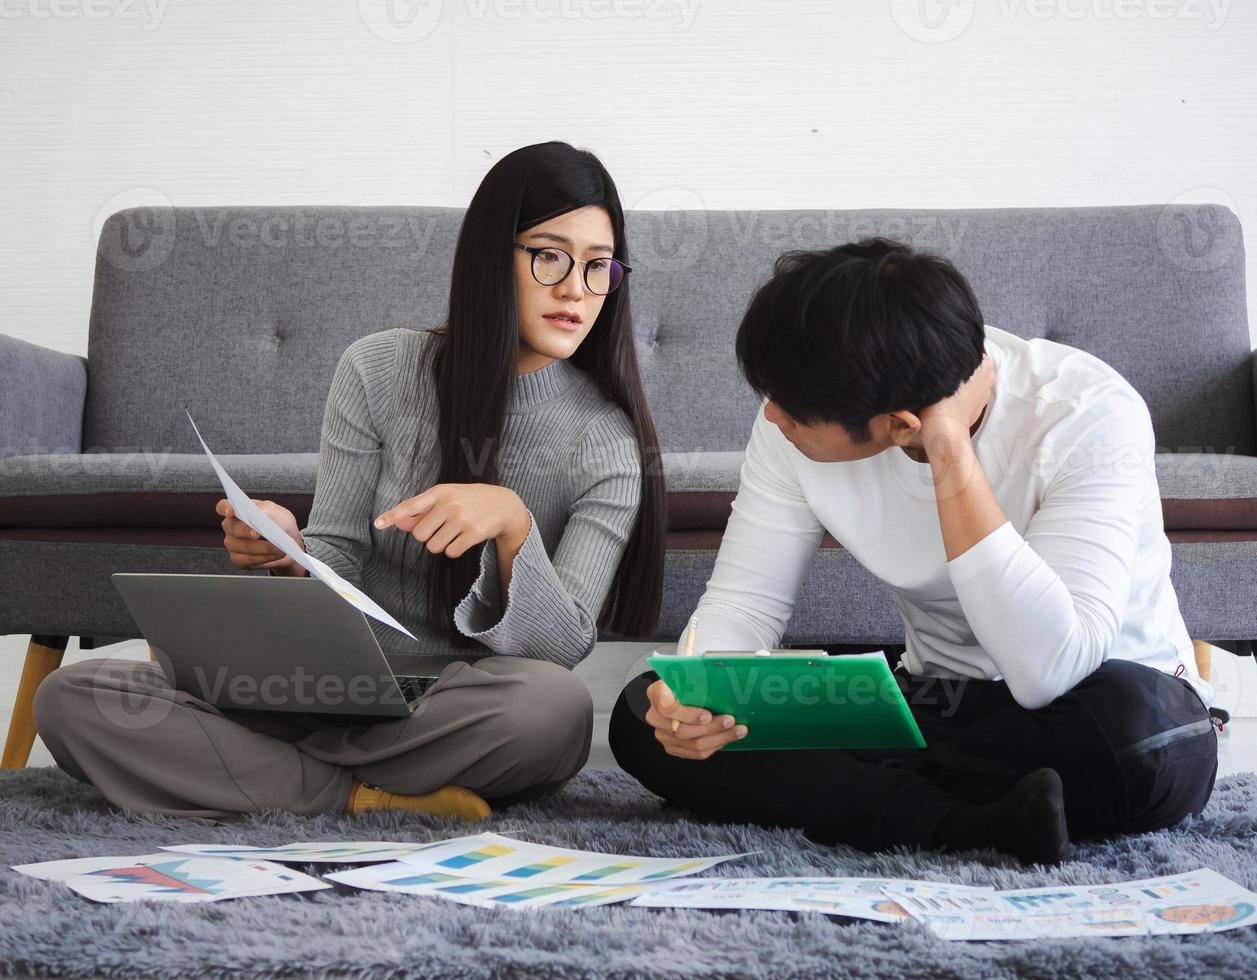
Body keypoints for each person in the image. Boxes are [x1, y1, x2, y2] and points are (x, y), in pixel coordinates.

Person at [34, 141, 665, 822]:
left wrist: (513, 527)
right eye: (550, 255)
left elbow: (560, 649)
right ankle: (363, 798)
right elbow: (335, 558)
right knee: (75, 696)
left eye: (598, 266)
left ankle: (256, 776)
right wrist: (287, 555)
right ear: (491, 254)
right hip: (321, 688)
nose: (576, 287)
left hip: (457, 705)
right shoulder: (380, 368)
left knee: (556, 711)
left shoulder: (606, 438)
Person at [609, 238, 1218, 866]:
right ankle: (968, 826)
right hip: (940, 704)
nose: (769, 416)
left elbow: (1049, 669)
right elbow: (742, 603)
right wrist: (701, 700)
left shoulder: (1087, 413)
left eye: (789, 409)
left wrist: (949, 449)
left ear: (901, 423)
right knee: (643, 713)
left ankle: (887, 804)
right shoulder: (792, 421)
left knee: (1135, 743)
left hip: (1103, 703)